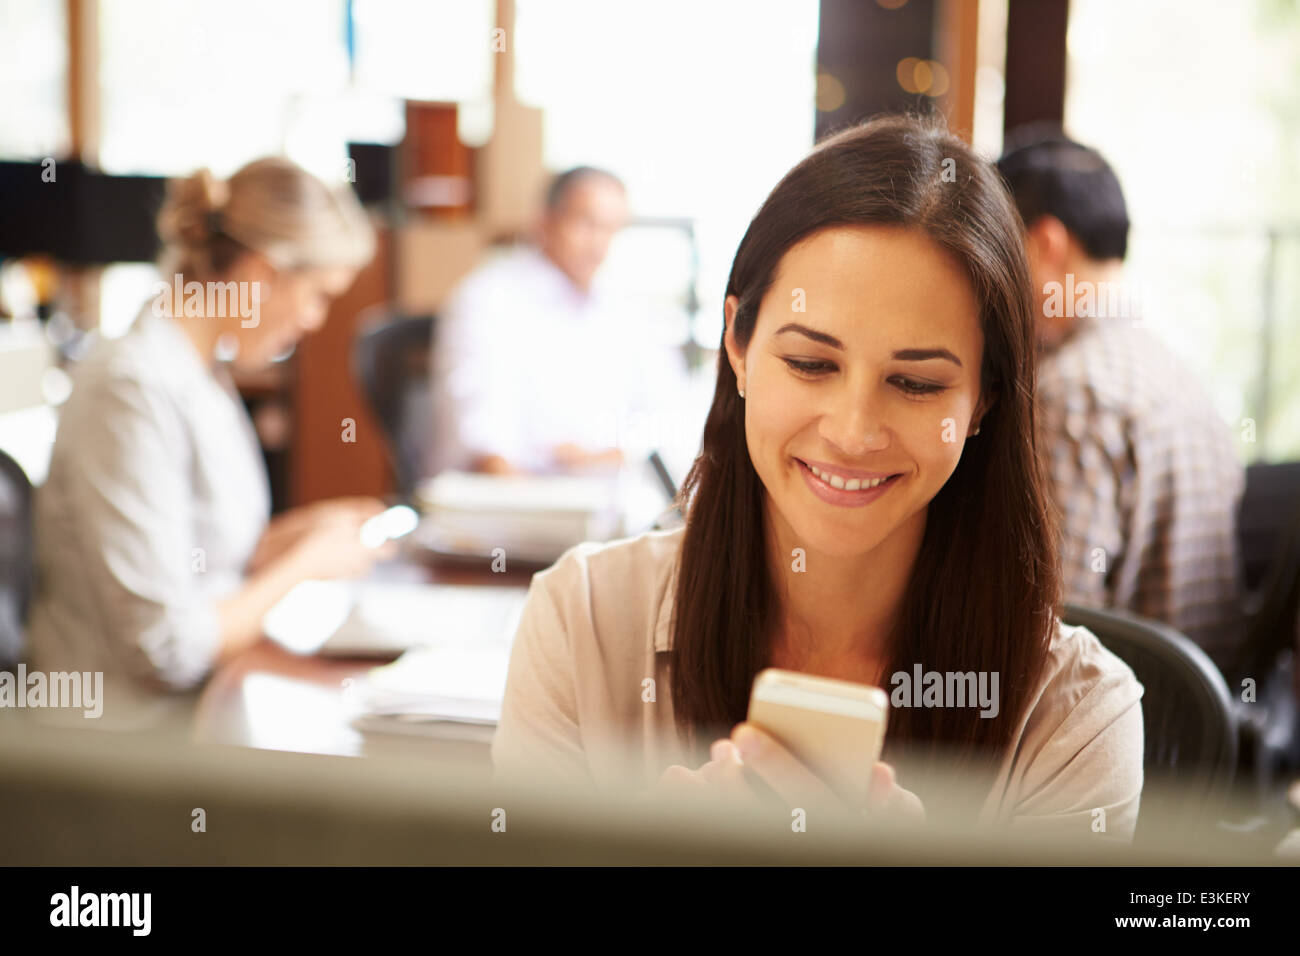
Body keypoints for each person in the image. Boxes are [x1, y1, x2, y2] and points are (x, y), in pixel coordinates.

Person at [492, 115, 1145, 841]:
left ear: (984, 398)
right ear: (737, 345)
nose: (853, 431)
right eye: (810, 364)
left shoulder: (1080, 716)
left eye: (917, 382)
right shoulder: (580, 620)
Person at [26, 157, 388, 726]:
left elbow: (200, 559)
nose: (316, 321)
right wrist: (304, 567)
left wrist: (291, 542)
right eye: (318, 295)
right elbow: (167, 650)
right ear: (261, 276)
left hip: (203, 712)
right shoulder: (129, 391)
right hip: (125, 745)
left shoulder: (201, 373)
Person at [997, 128, 1245, 671]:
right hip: (1199, 725)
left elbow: (1055, 625)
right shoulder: (1175, 373)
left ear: (1046, 245)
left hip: (1121, 723)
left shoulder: (1073, 394)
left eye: (998, 253)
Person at [428, 166, 685, 477]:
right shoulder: (488, 299)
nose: (599, 244)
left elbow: (667, 408)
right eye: (586, 224)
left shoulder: (624, 306)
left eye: (611, 229)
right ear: (545, 221)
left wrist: (613, 454)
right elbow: (481, 437)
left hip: (595, 497)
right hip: (507, 500)